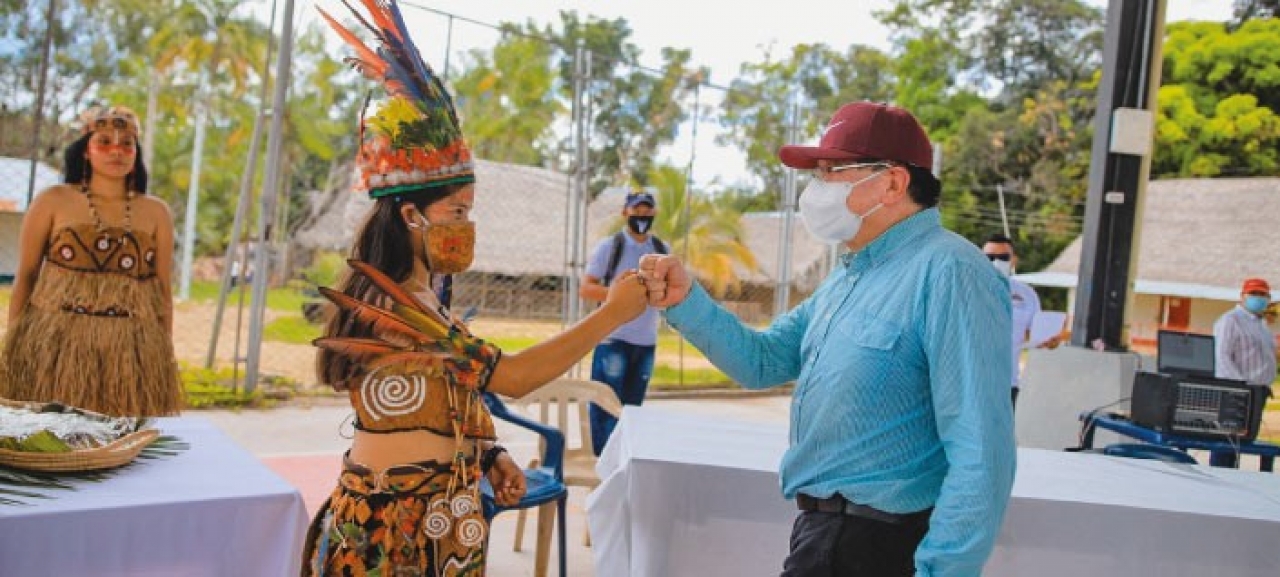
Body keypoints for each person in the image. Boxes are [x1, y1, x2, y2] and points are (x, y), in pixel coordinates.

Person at [302, 3, 648, 575]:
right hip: (397, 535)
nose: (466, 225)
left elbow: (446, 391)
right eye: (456, 210)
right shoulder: (397, 309)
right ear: (411, 216)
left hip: (439, 519)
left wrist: (488, 454)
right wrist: (611, 314)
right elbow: (509, 377)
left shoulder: (424, 300)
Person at [639, 101, 1016, 576]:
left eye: (834, 171)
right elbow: (764, 360)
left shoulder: (951, 273)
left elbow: (982, 448)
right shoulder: (851, 274)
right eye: (817, 173)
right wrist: (686, 301)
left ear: (894, 183)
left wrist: (943, 570)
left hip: (884, 544)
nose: (816, 189)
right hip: (825, 536)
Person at [1, 105, 181, 417]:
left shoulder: (156, 212)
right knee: (57, 437)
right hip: (55, 344)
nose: (117, 151)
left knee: (118, 444)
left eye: (127, 143)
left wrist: (162, 351)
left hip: (129, 348)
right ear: (85, 150)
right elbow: (27, 274)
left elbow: (162, 287)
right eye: (104, 142)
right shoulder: (53, 200)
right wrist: (13, 342)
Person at [579, 189, 668, 455]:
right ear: (625, 213)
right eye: (636, 211)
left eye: (647, 211)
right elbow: (586, 288)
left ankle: (622, 460)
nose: (641, 216)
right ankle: (601, 460)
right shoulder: (611, 247)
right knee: (605, 404)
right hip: (614, 338)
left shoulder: (661, 251)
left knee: (632, 410)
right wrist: (621, 296)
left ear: (654, 214)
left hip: (645, 342)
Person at [1210, 277, 1276, 467]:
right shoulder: (1230, 320)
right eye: (1254, 294)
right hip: (1236, 391)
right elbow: (1222, 356)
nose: (1259, 298)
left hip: (1259, 392)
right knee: (1227, 443)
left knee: (1244, 443)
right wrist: (1240, 387)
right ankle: (1220, 480)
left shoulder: (1261, 325)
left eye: (1263, 295)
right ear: (1242, 296)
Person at [982, 233, 1042, 408]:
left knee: (1000, 434)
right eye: (990, 257)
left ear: (1013, 260)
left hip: (1007, 383)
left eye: (1003, 257)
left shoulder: (1027, 295)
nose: (996, 262)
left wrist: (1050, 341)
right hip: (968, 382)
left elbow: (1036, 336)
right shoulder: (963, 290)